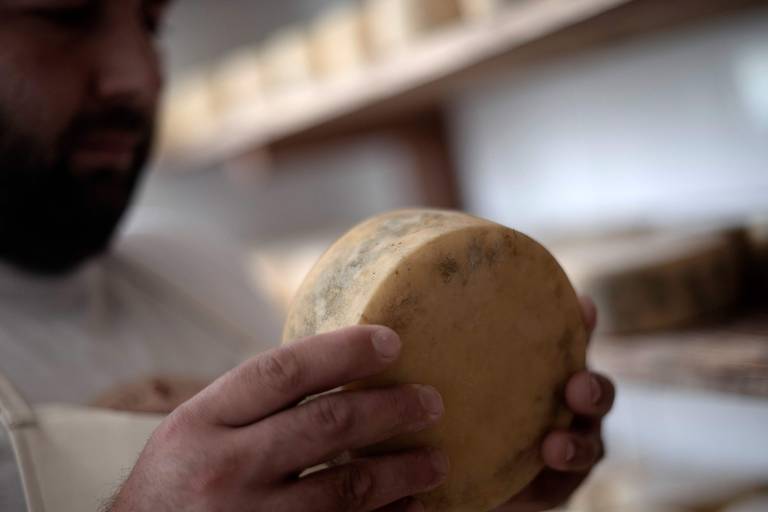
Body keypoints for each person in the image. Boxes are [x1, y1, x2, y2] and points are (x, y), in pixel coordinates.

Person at [0, 1, 615, 511]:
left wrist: (470, 486)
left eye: (152, 25)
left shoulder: (200, 270)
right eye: (65, 14)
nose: (139, 76)